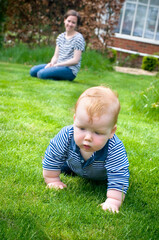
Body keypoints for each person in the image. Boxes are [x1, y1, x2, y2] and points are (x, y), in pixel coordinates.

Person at [42, 86, 129, 213]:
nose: (88, 138)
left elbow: (119, 175)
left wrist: (113, 200)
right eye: (82, 128)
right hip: (73, 165)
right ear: (74, 120)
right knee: (59, 164)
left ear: (111, 131)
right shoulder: (66, 135)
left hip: (102, 175)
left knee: (118, 173)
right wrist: (52, 179)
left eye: (98, 133)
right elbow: (53, 155)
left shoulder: (114, 148)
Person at [30, 10, 85, 81]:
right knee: (33, 71)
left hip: (69, 70)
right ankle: (53, 74)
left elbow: (75, 60)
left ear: (76, 24)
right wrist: (52, 64)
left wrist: (57, 65)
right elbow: (56, 56)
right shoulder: (60, 37)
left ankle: (54, 75)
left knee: (41, 74)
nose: (70, 24)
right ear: (64, 20)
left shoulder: (78, 38)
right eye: (69, 21)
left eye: (73, 22)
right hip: (57, 66)